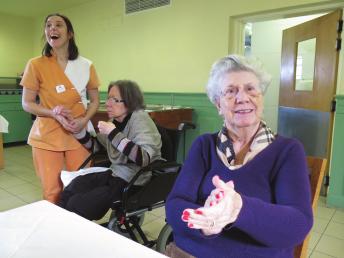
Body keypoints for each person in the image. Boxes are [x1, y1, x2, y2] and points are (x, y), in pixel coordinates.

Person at [165, 55, 312, 258]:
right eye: (230, 91)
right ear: (218, 104)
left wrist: (238, 208)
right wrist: (206, 222)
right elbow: (174, 205)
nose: (242, 98)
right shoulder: (204, 146)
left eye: (251, 89)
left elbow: (298, 224)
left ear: (261, 97)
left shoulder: (287, 151)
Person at [20, 13, 100, 204]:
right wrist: (52, 112)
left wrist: (83, 120)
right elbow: (27, 103)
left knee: (81, 186)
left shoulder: (85, 65)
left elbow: (95, 101)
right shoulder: (36, 64)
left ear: (70, 33)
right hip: (47, 134)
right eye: (48, 25)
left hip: (78, 133)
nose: (52, 29)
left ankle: (78, 226)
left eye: (58, 25)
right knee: (52, 191)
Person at [58, 80, 162, 221]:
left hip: (133, 181)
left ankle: (74, 231)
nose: (107, 103)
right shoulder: (116, 122)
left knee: (78, 204)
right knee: (73, 187)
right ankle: (60, 225)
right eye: (108, 98)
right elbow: (96, 147)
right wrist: (77, 130)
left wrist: (113, 133)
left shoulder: (141, 120)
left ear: (130, 101)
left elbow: (143, 158)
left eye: (114, 99)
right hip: (115, 174)